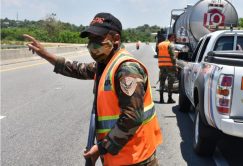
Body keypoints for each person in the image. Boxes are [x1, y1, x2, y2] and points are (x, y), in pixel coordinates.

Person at [23, 12, 162, 166]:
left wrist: (101, 148)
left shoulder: (126, 69)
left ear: (115, 39)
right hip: (121, 156)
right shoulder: (105, 64)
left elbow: (132, 117)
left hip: (136, 158)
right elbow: (77, 69)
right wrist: (45, 54)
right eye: (90, 40)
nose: (92, 46)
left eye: (98, 40)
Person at [157, 33, 177, 103]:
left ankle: (161, 99)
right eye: (174, 38)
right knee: (170, 83)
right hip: (170, 66)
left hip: (162, 66)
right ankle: (169, 99)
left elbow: (159, 54)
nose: (174, 39)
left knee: (162, 82)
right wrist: (175, 66)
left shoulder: (160, 44)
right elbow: (173, 57)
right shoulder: (170, 44)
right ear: (171, 37)